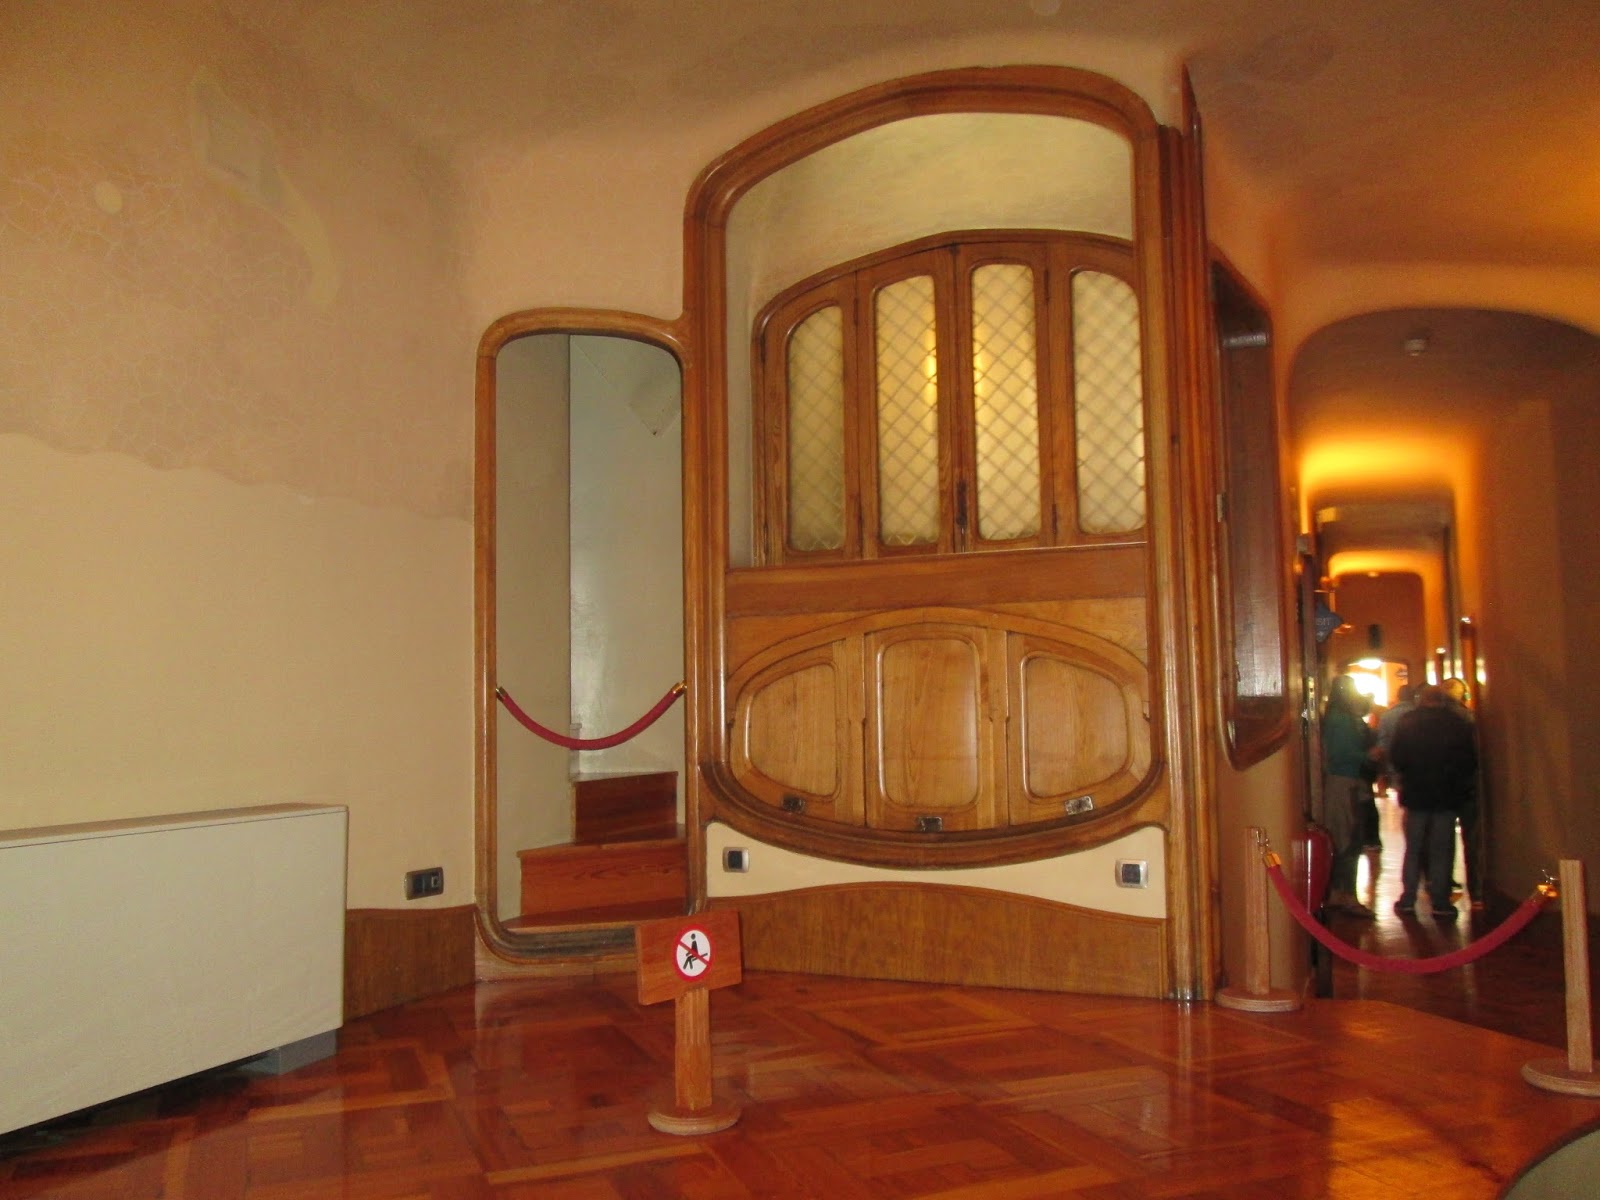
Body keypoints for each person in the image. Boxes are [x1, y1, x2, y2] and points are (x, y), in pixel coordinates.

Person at [1388, 684, 1478, 918]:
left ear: (1421, 699)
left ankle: (1408, 897)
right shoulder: (1456, 723)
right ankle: (1440, 900)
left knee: (1414, 848)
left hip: (1416, 794)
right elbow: (1468, 760)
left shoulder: (1408, 722)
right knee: (1442, 849)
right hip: (1447, 795)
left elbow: (1397, 757)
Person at [1319, 674, 1380, 918]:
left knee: (1345, 837)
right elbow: (1341, 754)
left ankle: (1339, 891)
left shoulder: (1337, 718)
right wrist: (1368, 755)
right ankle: (1346, 894)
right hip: (1345, 782)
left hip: (1344, 781)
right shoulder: (1342, 720)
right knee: (1348, 839)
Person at [1440, 677, 1484, 908]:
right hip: (1466, 785)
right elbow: (1476, 753)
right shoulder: (1468, 718)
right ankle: (1476, 892)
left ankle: (1443, 889)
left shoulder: (1433, 719)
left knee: (1443, 841)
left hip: (1441, 787)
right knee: (1472, 840)